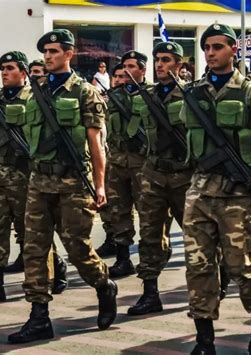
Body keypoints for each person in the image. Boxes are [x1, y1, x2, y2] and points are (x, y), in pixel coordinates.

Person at [180, 24, 251, 354]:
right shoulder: (193, 92)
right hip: (199, 192)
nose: (210, 53)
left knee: (240, 265)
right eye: (206, 47)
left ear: (233, 50)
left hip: (238, 194)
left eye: (217, 47)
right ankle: (204, 339)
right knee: (198, 266)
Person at [7, 29, 117, 344]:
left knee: (78, 248)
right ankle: (38, 315)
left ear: (69, 53)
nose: (49, 56)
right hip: (39, 180)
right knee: (34, 249)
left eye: (55, 51)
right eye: (46, 52)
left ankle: (103, 285)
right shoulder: (33, 91)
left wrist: (99, 185)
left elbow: (97, 143)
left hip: (74, 181)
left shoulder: (85, 92)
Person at [0, 51, 67, 306]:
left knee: (31, 232)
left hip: (26, 174)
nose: (4, 72)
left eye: (10, 68)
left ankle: (55, 268)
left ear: (23, 72)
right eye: (2, 68)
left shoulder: (36, 100)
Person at [126, 41, 193, 316]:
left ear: (179, 64)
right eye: (157, 59)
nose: (160, 64)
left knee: (195, 235)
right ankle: (150, 293)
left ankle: (212, 281)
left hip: (184, 175)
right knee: (150, 235)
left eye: (166, 59)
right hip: (153, 174)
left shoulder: (192, 95)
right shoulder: (146, 96)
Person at [104, 50, 149, 278]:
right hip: (118, 162)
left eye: (132, 66)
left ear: (142, 70)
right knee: (118, 211)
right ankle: (123, 259)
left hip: (144, 164)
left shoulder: (151, 95)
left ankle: (152, 259)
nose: (127, 70)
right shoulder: (115, 96)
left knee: (149, 213)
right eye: (125, 66)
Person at [95, 62, 126, 257]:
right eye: (117, 76)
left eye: (124, 76)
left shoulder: (143, 98)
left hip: (139, 163)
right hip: (112, 159)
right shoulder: (108, 100)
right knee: (113, 206)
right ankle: (112, 239)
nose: (120, 80)